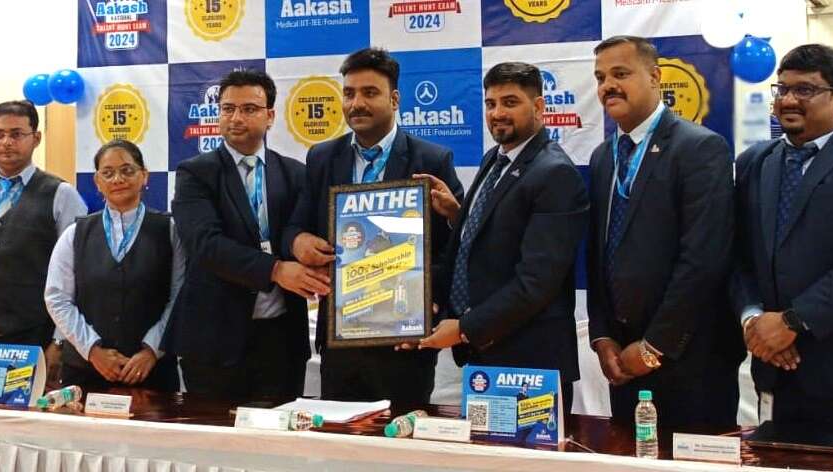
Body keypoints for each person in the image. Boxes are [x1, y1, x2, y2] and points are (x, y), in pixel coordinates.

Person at [283, 47, 463, 404]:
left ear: (394, 99)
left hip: (404, 341)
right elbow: (295, 226)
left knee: (401, 437)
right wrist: (298, 241)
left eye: (369, 93)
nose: (356, 104)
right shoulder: (322, 157)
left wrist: (430, 301)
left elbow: (454, 248)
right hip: (341, 339)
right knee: (341, 438)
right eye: (349, 94)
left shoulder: (431, 159)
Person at [586, 36, 744, 427]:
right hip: (622, 361)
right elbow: (597, 254)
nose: (608, 86)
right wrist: (602, 337)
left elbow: (704, 261)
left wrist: (654, 346)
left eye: (621, 73)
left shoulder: (700, 148)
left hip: (691, 360)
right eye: (601, 77)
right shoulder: (603, 156)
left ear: (655, 77)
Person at [418, 62, 589, 414]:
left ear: (538, 107)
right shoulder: (494, 159)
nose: (497, 113)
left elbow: (536, 283)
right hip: (487, 358)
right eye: (490, 103)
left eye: (510, 102)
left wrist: (463, 328)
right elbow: (490, 243)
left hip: (530, 364)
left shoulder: (554, 173)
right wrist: (457, 216)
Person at [165, 69, 328, 399]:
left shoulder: (296, 173)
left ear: (270, 116)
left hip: (282, 341)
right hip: (215, 341)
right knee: (215, 431)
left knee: (280, 430)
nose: (236, 118)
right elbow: (205, 245)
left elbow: (300, 234)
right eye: (228, 109)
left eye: (249, 109)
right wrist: (276, 270)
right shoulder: (195, 173)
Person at [731, 43, 833, 425]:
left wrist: (792, 322)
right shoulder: (754, 162)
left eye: (805, 89)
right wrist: (754, 321)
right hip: (774, 369)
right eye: (783, 89)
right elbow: (736, 256)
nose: (789, 100)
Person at [45, 140, 180, 391]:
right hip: (86, 371)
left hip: (152, 372)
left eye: (127, 170)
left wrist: (152, 350)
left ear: (144, 176)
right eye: (107, 173)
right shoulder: (76, 233)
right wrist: (92, 350)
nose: (118, 179)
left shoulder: (169, 231)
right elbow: (57, 298)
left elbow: (180, 296)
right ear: (97, 181)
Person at [0, 100, 87, 378]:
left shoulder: (61, 194)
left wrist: (59, 342)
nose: (6, 142)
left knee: (28, 408)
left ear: (36, 138)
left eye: (16, 134)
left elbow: (77, 275)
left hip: (34, 338)